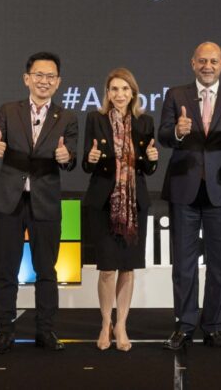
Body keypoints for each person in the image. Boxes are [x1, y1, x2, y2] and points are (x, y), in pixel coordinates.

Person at [0, 51, 78, 354]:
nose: (44, 81)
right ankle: (5, 332)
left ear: (58, 82)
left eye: (50, 76)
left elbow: (70, 158)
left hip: (45, 202)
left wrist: (67, 157)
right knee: (5, 270)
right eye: (38, 75)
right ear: (27, 79)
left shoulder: (68, 118)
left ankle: (45, 331)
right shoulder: (9, 111)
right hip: (9, 202)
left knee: (47, 271)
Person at [159, 41, 221, 350]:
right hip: (184, 189)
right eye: (202, 61)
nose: (207, 66)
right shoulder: (176, 95)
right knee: (183, 265)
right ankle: (184, 325)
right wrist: (178, 131)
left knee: (219, 265)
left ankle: (213, 326)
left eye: (213, 61)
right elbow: (163, 135)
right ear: (193, 63)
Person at [82, 68, 159, 352]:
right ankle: (105, 323)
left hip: (134, 203)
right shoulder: (95, 119)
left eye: (125, 89)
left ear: (133, 93)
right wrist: (91, 159)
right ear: (107, 93)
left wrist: (152, 159)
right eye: (114, 89)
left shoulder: (145, 122)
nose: (119, 95)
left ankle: (121, 325)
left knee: (127, 268)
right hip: (103, 202)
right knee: (106, 269)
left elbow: (149, 169)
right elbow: (87, 165)